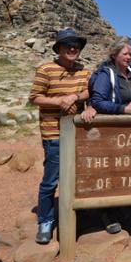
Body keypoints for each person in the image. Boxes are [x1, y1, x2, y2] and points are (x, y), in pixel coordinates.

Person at [29, 28, 91, 244]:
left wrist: (73, 96)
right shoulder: (46, 69)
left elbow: (88, 92)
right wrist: (59, 102)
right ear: (59, 48)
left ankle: (75, 215)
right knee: (51, 180)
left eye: (76, 45)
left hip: (77, 133)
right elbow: (35, 97)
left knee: (77, 177)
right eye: (68, 45)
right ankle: (45, 221)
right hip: (53, 133)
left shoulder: (84, 70)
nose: (73, 48)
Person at [88, 37, 131, 233]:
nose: (129, 57)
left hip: (129, 134)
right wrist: (124, 109)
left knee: (126, 169)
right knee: (111, 172)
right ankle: (108, 213)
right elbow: (97, 101)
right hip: (112, 133)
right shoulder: (107, 74)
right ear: (114, 55)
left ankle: (123, 207)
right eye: (125, 54)